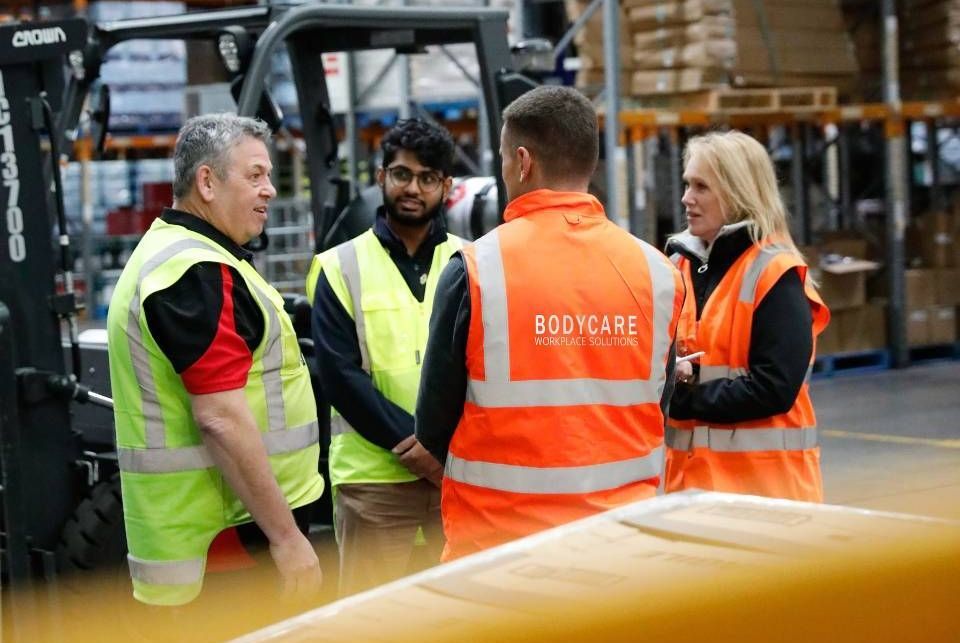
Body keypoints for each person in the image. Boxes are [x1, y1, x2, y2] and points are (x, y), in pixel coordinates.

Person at [414, 85, 684, 561]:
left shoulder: (476, 268)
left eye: (500, 160)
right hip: (623, 543)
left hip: (499, 549)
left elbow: (433, 424)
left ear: (522, 161)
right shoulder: (659, 272)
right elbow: (656, 402)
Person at [107, 114, 324, 608]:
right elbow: (220, 418)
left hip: (220, 540)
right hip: (229, 545)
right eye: (254, 175)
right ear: (206, 181)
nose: (269, 189)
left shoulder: (188, 256)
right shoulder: (195, 272)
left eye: (268, 175)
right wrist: (287, 538)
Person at [306, 118, 464, 594]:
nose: (412, 188)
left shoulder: (470, 261)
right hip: (373, 484)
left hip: (454, 478)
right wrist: (419, 446)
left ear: (446, 187)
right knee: (371, 620)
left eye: (427, 178)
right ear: (380, 177)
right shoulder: (339, 265)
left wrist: (442, 455)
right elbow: (339, 377)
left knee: (461, 616)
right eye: (401, 174)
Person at [664, 130, 830, 502]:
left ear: (738, 193)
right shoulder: (677, 267)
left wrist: (683, 397)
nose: (686, 198)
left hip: (768, 494)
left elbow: (774, 388)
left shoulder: (776, 273)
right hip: (691, 491)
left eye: (701, 187)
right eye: (688, 184)